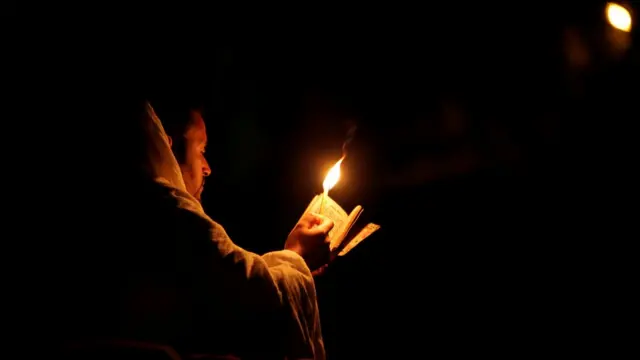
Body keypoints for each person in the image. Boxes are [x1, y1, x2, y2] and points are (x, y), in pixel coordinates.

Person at [99, 101, 333, 359]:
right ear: (167, 145)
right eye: (200, 149)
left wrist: (292, 260)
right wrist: (297, 257)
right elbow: (248, 298)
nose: (207, 167)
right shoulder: (161, 211)